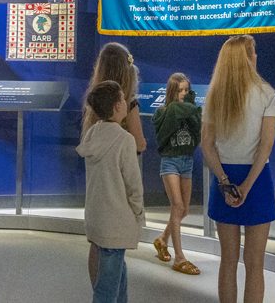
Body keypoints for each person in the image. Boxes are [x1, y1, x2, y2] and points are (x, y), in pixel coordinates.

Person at [200, 36, 275, 303]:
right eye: (254, 53)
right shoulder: (267, 94)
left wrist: (224, 181)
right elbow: (265, 147)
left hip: (224, 178)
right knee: (255, 263)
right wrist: (247, 186)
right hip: (257, 180)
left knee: (228, 260)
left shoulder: (214, 97)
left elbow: (207, 146)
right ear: (250, 58)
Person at [81, 43, 146, 285]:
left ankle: (98, 290)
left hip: (97, 193)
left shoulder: (94, 105)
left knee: (97, 244)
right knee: (114, 251)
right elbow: (139, 143)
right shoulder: (127, 104)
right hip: (118, 193)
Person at [150, 72, 201, 276]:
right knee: (177, 206)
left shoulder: (191, 112)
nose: (184, 94)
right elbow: (167, 121)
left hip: (187, 160)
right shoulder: (164, 111)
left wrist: (191, 109)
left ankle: (162, 239)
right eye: (180, 90)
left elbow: (198, 128)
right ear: (172, 91)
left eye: (187, 90)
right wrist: (190, 107)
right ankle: (180, 257)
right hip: (170, 161)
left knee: (184, 210)